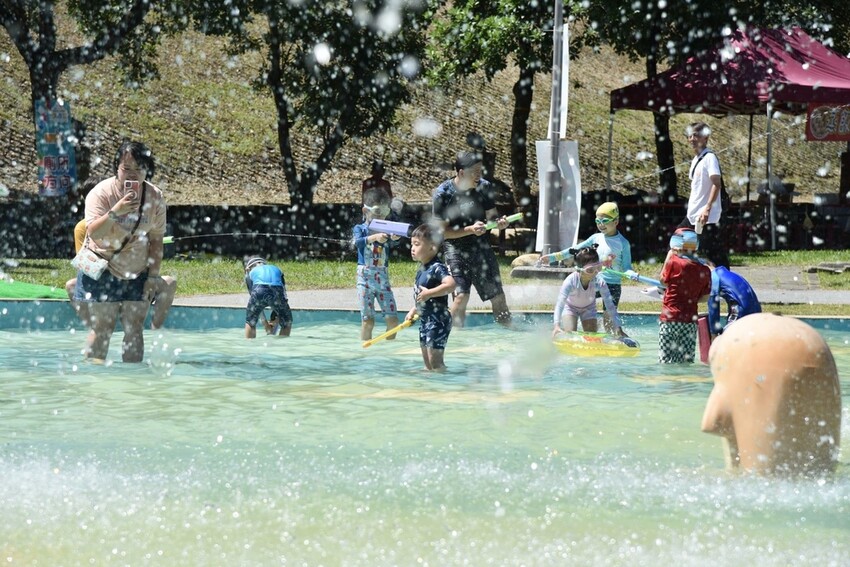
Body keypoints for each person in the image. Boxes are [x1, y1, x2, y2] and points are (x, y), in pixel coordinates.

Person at [73, 140, 167, 362]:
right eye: (126, 169)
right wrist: (116, 211)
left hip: (136, 270)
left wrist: (153, 276)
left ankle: (133, 385)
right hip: (102, 267)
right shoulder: (100, 194)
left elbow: (156, 240)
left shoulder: (155, 197)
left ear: (147, 170)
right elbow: (94, 232)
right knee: (102, 328)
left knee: (134, 329)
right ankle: (92, 382)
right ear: (116, 168)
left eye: (139, 169)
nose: (133, 175)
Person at [66, 177, 176, 330]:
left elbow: (154, 244)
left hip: (135, 276)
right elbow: (86, 266)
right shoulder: (84, 227)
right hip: (104, 279)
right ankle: (93, 329)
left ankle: (155, 330)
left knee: (169, 283)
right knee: (72, 285)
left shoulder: (138, 218)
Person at [432, 150, 511, 327]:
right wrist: (469, 229)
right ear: (461, 172)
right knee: (461, 296)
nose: (479, 175)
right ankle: (448, 339)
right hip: (455, 248)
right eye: (474, 171)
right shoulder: (443, 193)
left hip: (481, 248)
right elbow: (443, 232)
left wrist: (497, 223)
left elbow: (491, 216)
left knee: (498, 297)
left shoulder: (484, 187)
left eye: (480, 171)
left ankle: (510, 336)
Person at [539, 201, 635, 332]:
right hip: (593, 281)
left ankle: (612, 339)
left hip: (612, 285)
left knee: (609, 321)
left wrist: (630, 273)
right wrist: (554, 257)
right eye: (598, 221)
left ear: (616, 221)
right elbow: (574, 250)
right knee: (578, 305)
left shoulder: (623, 243)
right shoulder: (596, 238)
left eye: (605, 220)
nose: (601, 224)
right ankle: (567, 324)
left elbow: (627, 267)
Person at [405, 224, 456, 372]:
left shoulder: (437, 267)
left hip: (438, 320)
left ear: (432, 247)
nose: (412, 248)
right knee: (427, 365)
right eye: (411, 244)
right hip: (425, 320)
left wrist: (430, 293)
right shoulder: (422, 269)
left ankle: (445, 386)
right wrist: (414, 309)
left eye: (417, 244)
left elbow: (451, 284)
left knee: (436, 363)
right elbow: (423, 296)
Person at [658, 228, 712, 364]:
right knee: (686, 363)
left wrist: (669, 256)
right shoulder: (705, 270)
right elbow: (705, 298)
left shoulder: (674, 262)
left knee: (666, 361)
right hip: (690, 321)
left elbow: (662, 281)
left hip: (670, 319)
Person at [353, 187, 400, 340]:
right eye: (377, 212)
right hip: (364, 279)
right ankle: (365, 352)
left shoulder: (388, 228)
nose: (381, 217)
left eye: (385, 213)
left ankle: (388, 351)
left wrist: (395, 238)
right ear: (365, 211)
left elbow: (398, 241)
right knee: (368, 321)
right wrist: (374, 237)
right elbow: (357, 243)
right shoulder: (360, 228)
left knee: (393, 321)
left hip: (383, 279)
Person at [682, 121, 729, 268]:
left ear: (705, 137)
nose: (691, 139)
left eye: (695, 135)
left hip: (705, 217)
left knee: (714, 253)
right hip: (693, 215)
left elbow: (716, 183)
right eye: (689, 136)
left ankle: (727, 283)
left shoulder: (709, 158)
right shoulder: (697, 159)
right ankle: (678, 281)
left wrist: (707, 208)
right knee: (680, 246)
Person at [552, 246, 626, 337]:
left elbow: (610, 307)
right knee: (570, 335)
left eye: (598, 267)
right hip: (570, 308)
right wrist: (556, 325)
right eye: (590, 270)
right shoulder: (570, 281)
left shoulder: (599, 281)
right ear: (579, 269)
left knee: (591, 336)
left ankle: (595, 323)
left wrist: (618, 328)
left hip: (588, 308)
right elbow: (560, 304)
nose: (595, 272)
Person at [706, 264, 761, 338]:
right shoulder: (726, 273)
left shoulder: (713, 277)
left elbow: (713, 307)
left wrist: (714, 332)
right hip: (756, 309)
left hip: (741, 310)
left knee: (726, 340)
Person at [243, 256, 293, 339]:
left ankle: (249, 347)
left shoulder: (249, 273)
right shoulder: (276, 268)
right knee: (287, 322)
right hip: (277, 292)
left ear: (248, 268)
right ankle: (281, 347)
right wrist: (275, 320)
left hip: (259, 290)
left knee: (250, 322)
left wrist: (266, 325)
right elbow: (284, 296)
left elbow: (256, 303)